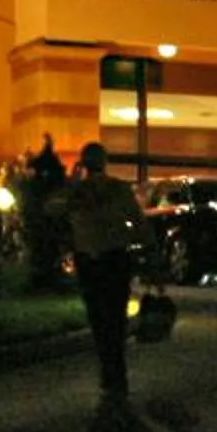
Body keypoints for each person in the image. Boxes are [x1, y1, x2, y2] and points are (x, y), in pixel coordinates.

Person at [64, 143, 148, 407]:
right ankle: (115, 372)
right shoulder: (117, 189)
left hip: (92, 259)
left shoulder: (77, 191)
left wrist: (72, 179)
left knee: (99, 317)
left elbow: (53, 208)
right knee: (114, 317)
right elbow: (138, 221)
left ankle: (111, 372)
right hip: (114, 258)